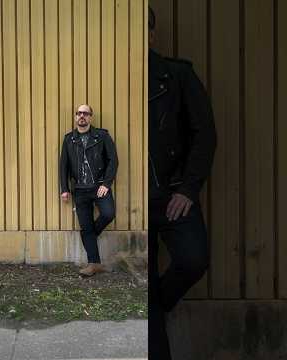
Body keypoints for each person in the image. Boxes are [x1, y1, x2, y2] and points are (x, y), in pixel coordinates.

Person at [148, 6, 217, 360]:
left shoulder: (177, 75)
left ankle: (153, 304)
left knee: (194, 259)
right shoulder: (106, 76)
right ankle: (150, 308)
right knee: (143, 299)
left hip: (173, 192)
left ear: (151, 35)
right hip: (130, 202)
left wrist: (189, 188)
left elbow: (204, 133)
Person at [59, 104, 119, 277]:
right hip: (79, 189)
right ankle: (94, 264)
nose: (82, 116)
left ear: (91, 117)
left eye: (85, 113)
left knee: (108, 214)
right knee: (85, 226)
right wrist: (64, 189)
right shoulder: (69, 139)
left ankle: (89, 235)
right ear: (75, 117)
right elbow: (64, 166)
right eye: (79, 113)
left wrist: (106, 184)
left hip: (99, 186)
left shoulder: (102, 136)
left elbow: (113, 161)